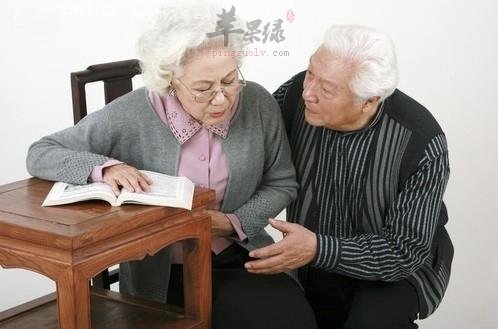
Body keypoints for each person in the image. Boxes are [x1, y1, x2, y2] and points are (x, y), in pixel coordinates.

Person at [26, 3, 317, 329]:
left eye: (229, 80)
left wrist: (232, 222)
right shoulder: (131, 114)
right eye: (203, 89)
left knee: (292, 321)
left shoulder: (258, 102)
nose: (221, 98)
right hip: (162, 272)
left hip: (238, 253)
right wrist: (104, 168)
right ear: (170, 81)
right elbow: (41, 152)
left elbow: (282, 182)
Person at [245, 25, 454, 329]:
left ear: (369, 100)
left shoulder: (421, 141)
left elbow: (405, 250)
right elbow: (245, 139)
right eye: (310, 73)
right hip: (314, 262)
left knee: (370, 322)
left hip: (399, 269)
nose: (308, 93)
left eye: (327, 89)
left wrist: (318, 248)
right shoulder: (294, 96)